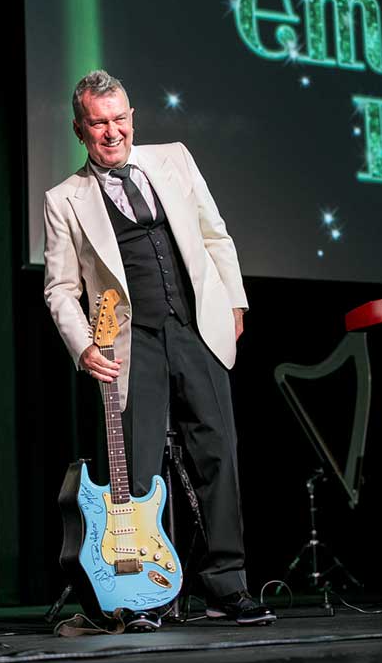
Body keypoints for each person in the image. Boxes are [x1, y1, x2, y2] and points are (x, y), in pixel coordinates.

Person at [44, 69, 275, 628]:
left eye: (119, 119)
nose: (112, 131)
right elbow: (60, 288)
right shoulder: (64, 199)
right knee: (139, 470)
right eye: (98, 123)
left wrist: (235, 303)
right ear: (79, 129)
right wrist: (83, 346)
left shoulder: (175, 159)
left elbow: (215, 234)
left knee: (218, 453)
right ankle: (145, 593)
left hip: (195, 329)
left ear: (133, 118)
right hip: (131, 342)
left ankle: (227, 587)